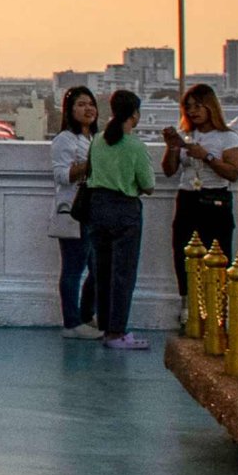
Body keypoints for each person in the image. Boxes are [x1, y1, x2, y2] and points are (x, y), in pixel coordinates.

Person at [82, 87, 157, 352]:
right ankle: (117, 332)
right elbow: (148, 184)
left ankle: (105, 327)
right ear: (134, 115)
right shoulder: (135, 145)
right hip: (125, 209)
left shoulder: (99, 140)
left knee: (102, 270)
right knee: (123, 273)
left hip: (98, 207)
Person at [160, 83, 238, 276]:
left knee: (216, 260)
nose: (192, 111)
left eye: (197, 106)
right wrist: (172, 147)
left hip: (214, 201)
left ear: (210, 107)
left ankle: (215, 304)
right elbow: (169, 171)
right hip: (187, 200)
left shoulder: (228, 138)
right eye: (188, 107)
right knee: (184, 258)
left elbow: (233, 173)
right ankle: (187, 302)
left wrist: (206, 156)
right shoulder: (187, 135)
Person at [49, 84, 102, 335]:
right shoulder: (64, 140)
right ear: (69, 110)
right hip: (72, 210)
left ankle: (86, 314)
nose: (88, 109)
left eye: (91, 104)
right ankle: (71, 322)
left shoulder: (96, 139)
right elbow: (62, 176)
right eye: (81, 104)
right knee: (73, 267)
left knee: (96, 267)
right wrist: (90, 164)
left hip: (94, 210)